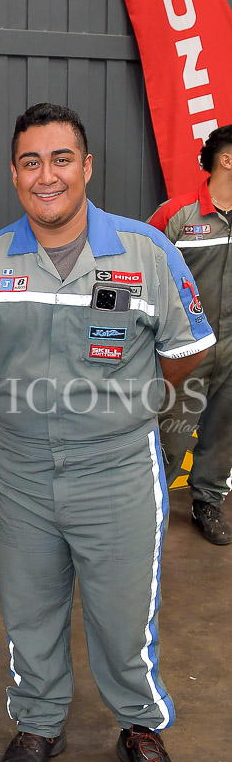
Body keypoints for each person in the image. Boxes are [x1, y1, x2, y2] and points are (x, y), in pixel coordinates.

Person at [0, 103, 215, 762]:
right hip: (19, 470)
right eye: (30, 162)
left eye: (61, 159)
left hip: (117, 469)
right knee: (28, 610)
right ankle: (38, 723)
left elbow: (186, 350)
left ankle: (139, 728)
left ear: (86, 167)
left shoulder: (146, 251)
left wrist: (131, 402)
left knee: (123, 617)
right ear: (13, 173)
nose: (46, 175)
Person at [148, 124, 232, 545]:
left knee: (223, 431)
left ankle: (208, 501)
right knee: (171, 433)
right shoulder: (176, 215)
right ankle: (149, 505)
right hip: (186, 351)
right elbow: (142, 276)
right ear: (227, 159)